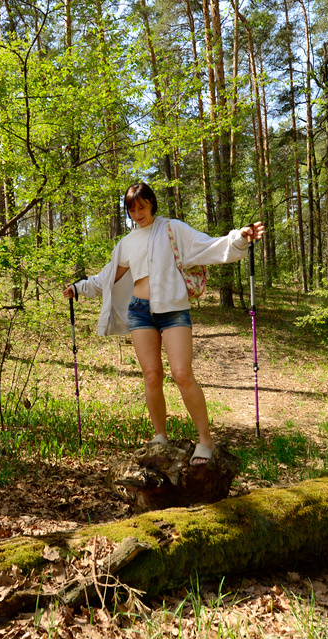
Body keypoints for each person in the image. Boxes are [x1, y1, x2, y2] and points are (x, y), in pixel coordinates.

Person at [62, 183, 263, 465]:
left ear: (152, 204)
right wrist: (78, 288)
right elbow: (106, 278)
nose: (137, 214)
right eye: (132, 209)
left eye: (141, 207)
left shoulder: (172, 229)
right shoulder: (127, 243)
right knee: (152, 376)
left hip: (173, 310)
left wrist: (239, 238)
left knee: (182, 374)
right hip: (139, 312)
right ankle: (160, 435)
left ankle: (205, 440)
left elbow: (208, 246)